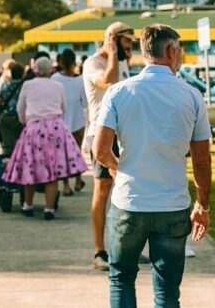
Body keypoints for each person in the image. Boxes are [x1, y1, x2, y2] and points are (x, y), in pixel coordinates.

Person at [94, 24, 211, 308]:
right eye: (179, 50)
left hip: (129, 201)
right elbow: (202, 161)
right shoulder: (192, 96)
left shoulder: (119, 92)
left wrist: (117, 166)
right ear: (171, 51)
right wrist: (202, 205)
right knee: (167, 291)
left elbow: (100, 149)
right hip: (172, 204)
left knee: (121, 278)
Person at [4, 56, 87, 220]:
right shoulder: (58, 86)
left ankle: (28, 205)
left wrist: (25, 122)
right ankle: (49, 209)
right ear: (50, 70)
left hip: (34, 128)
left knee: (30, 167)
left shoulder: (27, 85)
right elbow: (63, 107)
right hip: (55, 127)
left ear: (35, 69)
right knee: (52, 171)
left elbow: (21, 108)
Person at [83, 22, 135, 271]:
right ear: (113, 39)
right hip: (102, 134)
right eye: (127, 41)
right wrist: (113, 53)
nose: (131, 47)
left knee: (127, 191)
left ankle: (124, 247)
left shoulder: (123, 62)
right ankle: (99, 251)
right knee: (102, 191)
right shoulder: (93, 63)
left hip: (124, 134)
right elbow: (109, 81)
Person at [51, 48, 88, 196]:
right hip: (78, 120)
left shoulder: (54, 78)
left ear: (60, 61)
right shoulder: (81, 80)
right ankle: (78, 180)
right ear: (74, 62)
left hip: (60, 120)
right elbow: (85, 102)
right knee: (77, 153)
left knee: (62, 154)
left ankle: (66, 185)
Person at [0, 60, 26, 155]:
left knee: (7, 146)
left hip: (6, 118)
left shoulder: (5, 85)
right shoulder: (25, 85)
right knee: (21, 145)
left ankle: (7, 164)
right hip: (21, 118)